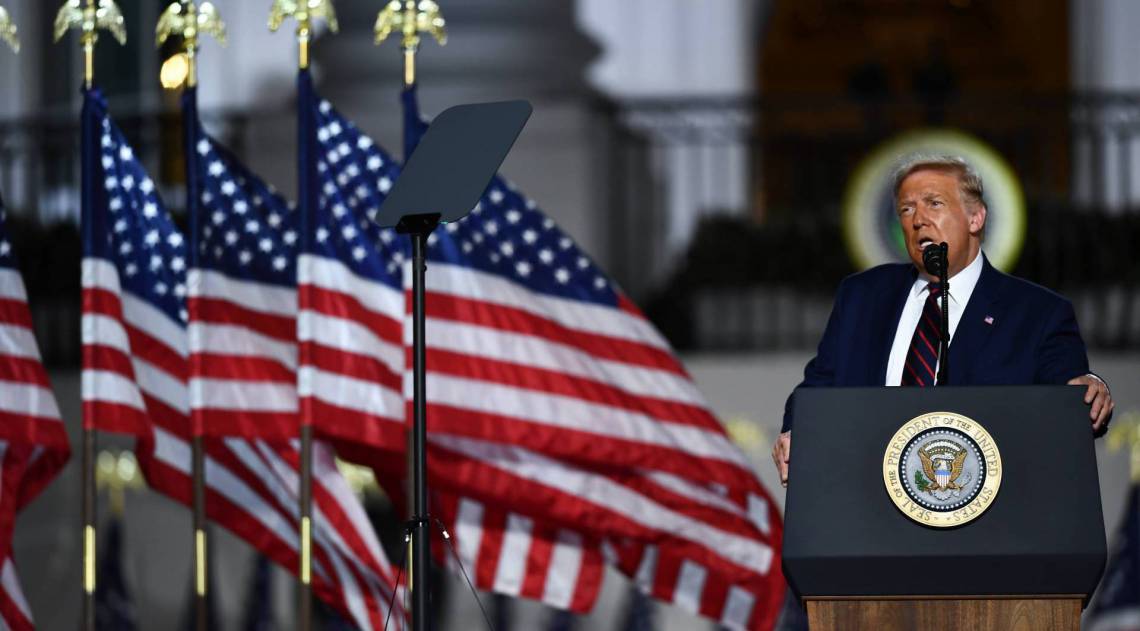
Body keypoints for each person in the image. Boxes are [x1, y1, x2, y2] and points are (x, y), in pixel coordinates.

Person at [771, 154, 1114, 486]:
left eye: (934, 203)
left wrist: (1089, 386)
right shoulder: (863, 296)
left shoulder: (1038, 312)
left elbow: (1069, 390)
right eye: (906, 209)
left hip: (987, 518)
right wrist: (796, 431)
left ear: (975, 218)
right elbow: (818, 388)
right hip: (870, 505)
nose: (917, 218)